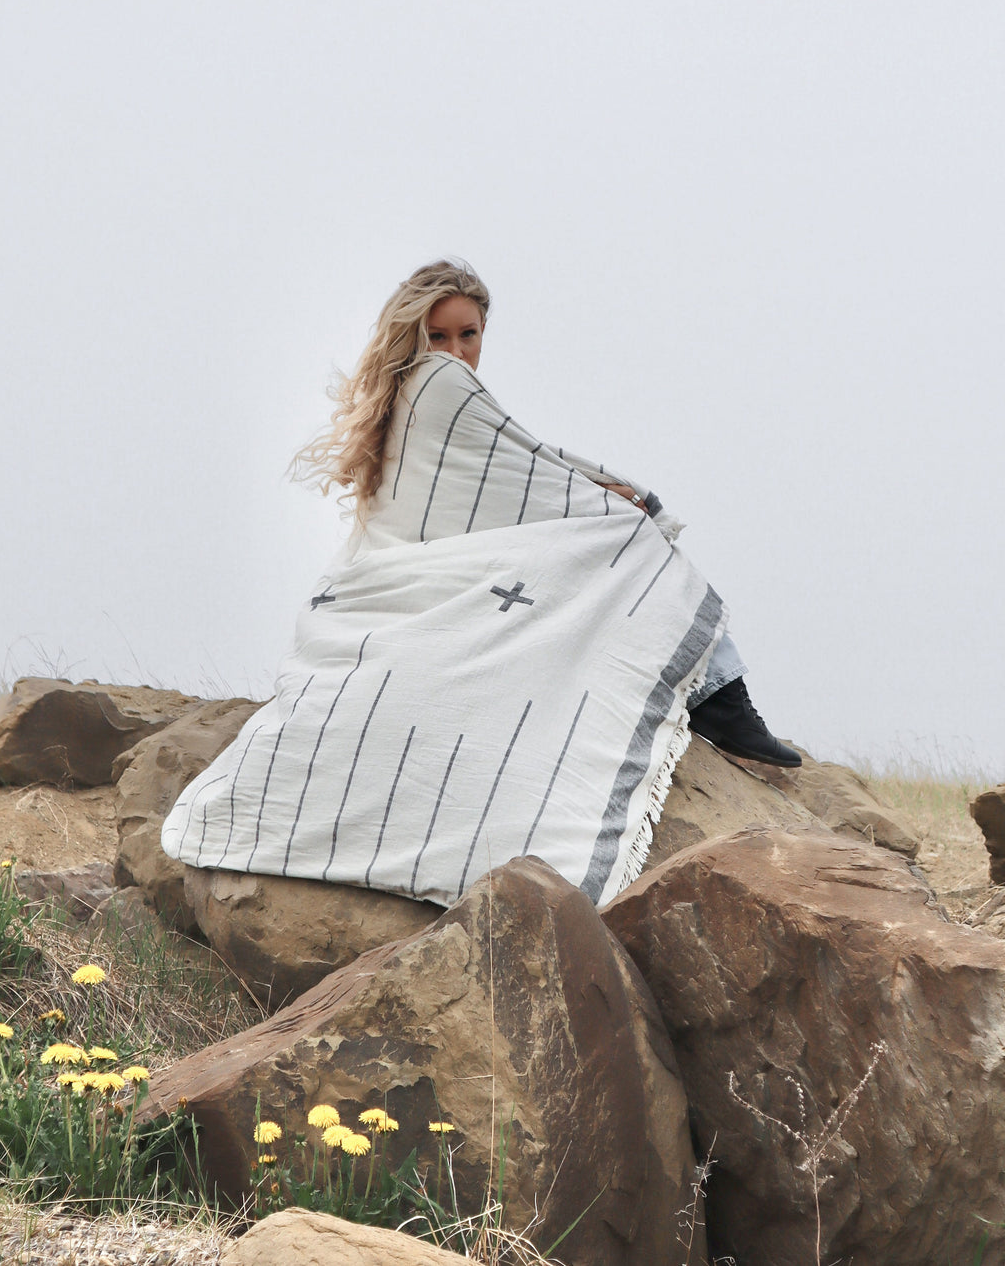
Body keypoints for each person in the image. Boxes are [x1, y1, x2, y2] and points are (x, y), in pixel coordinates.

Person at [160, 259, 796, 912]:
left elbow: (517, 466)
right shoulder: (435, 385)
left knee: (611, 536)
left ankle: (721, 702)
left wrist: (592, 489)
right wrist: (605, 498)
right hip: (419, 574)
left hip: (430, 569)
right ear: (414, 337)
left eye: (469, 335)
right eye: (440, 336)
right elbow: (520, 480)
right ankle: (724, 702)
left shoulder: (410, 395)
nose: (457, 353)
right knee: (631, 542)